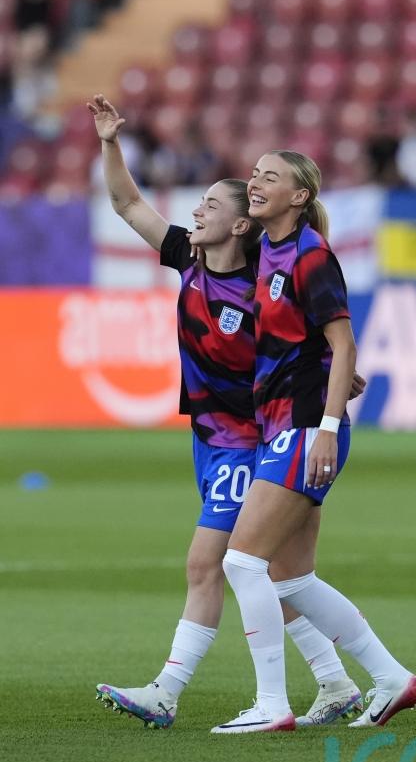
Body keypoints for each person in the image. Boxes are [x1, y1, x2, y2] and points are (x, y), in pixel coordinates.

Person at [87, 95, 364, 729]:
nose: (196, 211)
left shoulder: (262, 282)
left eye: (211, 205)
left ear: (241, 225)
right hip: (209, 435)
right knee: (277, 574)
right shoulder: (187, 257)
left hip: (249, 437)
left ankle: (168, 691)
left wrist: (332, 378)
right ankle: (338, 682)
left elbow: (308, 336)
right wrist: (110, 142)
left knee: (210, 562)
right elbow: (127, 203)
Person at [212, 150, 416, 734]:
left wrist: (328, 428)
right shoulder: (269, 250)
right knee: (291, 578)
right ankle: (391, 678)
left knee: (242, 562)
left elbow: (344, 341)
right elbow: (313, 344)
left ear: (299, 196)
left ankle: (271, 703)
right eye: (254, 174)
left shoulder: (310, 255)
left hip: (306, 428)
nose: (255, 181)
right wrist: (332, 369)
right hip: (283, 425)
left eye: (270, 176)